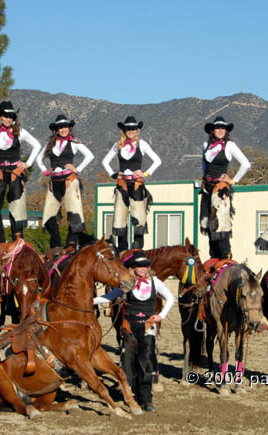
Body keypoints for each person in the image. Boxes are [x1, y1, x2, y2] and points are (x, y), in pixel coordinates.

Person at [93, 251, 174, 412]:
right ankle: (129, 395)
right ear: (133, 268)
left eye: (145, 265)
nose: (142, 269)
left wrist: (161, 315)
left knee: (147, 360)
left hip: (148, 327)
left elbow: (170, 298)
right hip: (129, 326)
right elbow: (109, 297)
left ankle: (146, 398)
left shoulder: (155, 282)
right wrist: (89, 301)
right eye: (139, 266)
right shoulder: (127, 283)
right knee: (128, 361)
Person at [0, 101, 42, 245]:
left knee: (17, 205)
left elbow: (37, 145)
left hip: (16, 172)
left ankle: (17, 241)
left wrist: (27, 163)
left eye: (11, 116)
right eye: (6, 116)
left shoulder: (20, 132)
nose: (9, 119)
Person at [102, 116, 161, 251]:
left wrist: (145, 173)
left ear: (137, 130)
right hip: (122, 184)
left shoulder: (142, 144)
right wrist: (114, 174)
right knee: (120, 217)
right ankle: (123, 250)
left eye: (133, 129)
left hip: (136, 185)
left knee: (139, 218)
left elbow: (157, 160)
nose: (131, 131)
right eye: (128, 129)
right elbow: (105, 161)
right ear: (124, 130)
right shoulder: (118, 145)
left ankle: (137, 249)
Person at [35, 114, 94, 248]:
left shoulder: (74, 142)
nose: (63, 130)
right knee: (49, 216)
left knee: (74, 214)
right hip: (54, 181)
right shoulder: (50, 144)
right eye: (60, 127)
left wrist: (77, 169)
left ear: (69, 128)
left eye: (65, 127)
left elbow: (90, 156)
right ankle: (56, 246)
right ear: (56, 129)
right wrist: (45, 170)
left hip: (69, 181)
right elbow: (39, 159)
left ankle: (70, 246)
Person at [199, 116, 251, 260]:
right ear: (212, 130)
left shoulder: (229, 145)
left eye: (223, 128)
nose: (220, 130)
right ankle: (213, 258)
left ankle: (225, 259)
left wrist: (233, 180)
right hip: (207, 189)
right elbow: (204, 164)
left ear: (226, 131)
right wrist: (205, 177)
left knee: (221, 225)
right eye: (218, 128)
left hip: (220, 190)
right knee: (209, 225)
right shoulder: (206, 145)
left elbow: (246, 164)